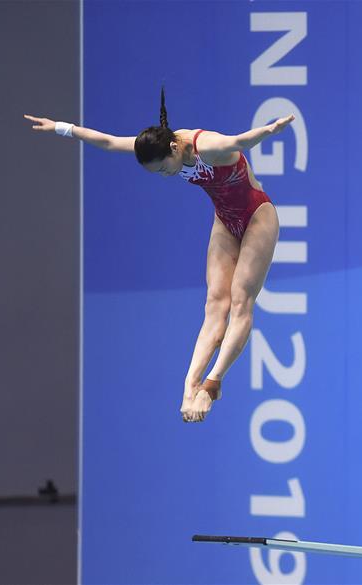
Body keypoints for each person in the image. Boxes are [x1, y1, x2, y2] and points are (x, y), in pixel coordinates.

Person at [25, 88, 294, 423]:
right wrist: (61, 127)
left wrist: (269, 130)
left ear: (174, 149)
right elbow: (109, 142)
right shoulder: (159, 147)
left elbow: (239, 141)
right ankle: (190, 385)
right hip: (225, 220)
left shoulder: (206, 147)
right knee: (215, 303)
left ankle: (212, 384)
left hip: (257, 216)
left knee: (240, 300)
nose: (165, 176)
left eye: (165, 169)